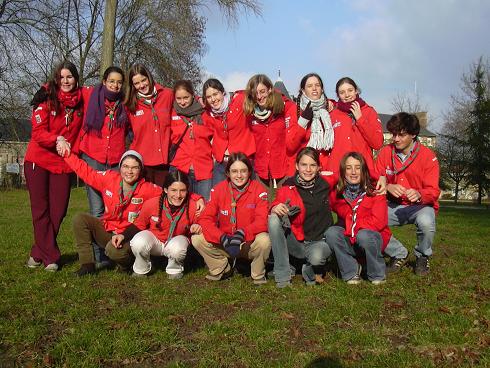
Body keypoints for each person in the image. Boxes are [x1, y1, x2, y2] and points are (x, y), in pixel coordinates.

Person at [25, 61, 84, 271]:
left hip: (63, 163)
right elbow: (38, 132)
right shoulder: (46, 98)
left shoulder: (81, 99)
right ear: (56, 80)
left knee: (58, 210)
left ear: (76, 79)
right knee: (41, 210)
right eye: (61, 77)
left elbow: (100, 91)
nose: (66, 81)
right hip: (38, 160)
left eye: (70, 77)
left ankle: (37, 252)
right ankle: (51, 257)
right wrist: (57, 138)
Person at [65, 150, 162, 276]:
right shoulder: (110, 179)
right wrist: (67, 154)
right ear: (120, 167)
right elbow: (86, 172)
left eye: (134, 168)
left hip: (129, 236)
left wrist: (195, 199)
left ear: (141, 170)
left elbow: (171, 195)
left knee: (114, 251)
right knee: (80, 219)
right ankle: (87, 265)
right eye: (125, 166)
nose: (129, 171)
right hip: (108, 230)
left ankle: (127, 265)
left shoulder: (148, 189)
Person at [375, 112, 440, 276]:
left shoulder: (428, 156)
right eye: (394, 134)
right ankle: (399, 253)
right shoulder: (385, 153)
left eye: (401, 135)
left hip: (419, 206)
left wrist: (419, 194)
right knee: (369, 218)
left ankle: (422, 257)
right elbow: (374, 181)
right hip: (392, 205)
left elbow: (433, 191)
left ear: (413, 134)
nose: (396, 139)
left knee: (426, 221)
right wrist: (388, 186)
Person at [192, 152, 271, 284]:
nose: (239, 176)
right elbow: (205, 219)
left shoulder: (259, 190)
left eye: (243, 171)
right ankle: (221, 268)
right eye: (234, 171)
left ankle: (257, 274)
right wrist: (221, 237)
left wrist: (242, 233)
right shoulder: (218, 189)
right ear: (228, 173)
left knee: (264, 240)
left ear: (249, 172)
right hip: (226, 242)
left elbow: (262, 221)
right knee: (197, 238)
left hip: (247, 242)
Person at [79, 66, 129, 267]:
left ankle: (113, 252)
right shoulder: (90, 94)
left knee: (115, 209)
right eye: (112, 81)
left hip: (115, 162)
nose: (115, 85)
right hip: (93, 157)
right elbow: (67, 88)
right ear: (104, 81)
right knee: (97, 209)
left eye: (119, 82)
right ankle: (99, 256)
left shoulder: (124, 104)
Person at [112, 170, 202, 278]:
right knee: (138, 241)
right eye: (173, 190)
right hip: (156, 242)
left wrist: (197, 227)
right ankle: (141, 269)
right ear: (165, 190)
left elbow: (202, 226)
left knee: (178, 247)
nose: (178, 195)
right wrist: (123, 235)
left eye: (182, 190)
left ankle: (174, 270)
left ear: (187, 191)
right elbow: (139, 225)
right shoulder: (152, 203)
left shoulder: (193, 206)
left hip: (176, 243)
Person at [269, 147, 335, 288]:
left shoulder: (326, 183)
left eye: (312, 165)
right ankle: (283, 274)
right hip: (297, 242)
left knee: (317, 257)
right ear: (297, 166)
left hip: (319, 241)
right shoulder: (288, 186)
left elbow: (351, 178)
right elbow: (276, 202)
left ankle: (306, 267)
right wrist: (274, 207)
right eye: (304, 165)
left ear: (319, 167)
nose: (308, 169)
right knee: (273, 219)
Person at [325, 152, 390, 285]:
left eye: (358, 167)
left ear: (364, 170)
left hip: (371, 238)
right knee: (332, 233)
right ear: (343, 171)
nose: (353, 172)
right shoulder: (337, 193)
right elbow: (321, 181)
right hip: (351, 236)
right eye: (348, 168)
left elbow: (378, 222)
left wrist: (351, 226)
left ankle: (377, 273)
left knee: (364, 235)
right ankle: (351, 271)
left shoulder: (376, 190)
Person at [243, 74, 298, 189]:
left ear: (270, 89)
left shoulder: (285, 107)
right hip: (261, 167)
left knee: (286, 202)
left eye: (262, 91)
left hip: (283, 166)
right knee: (261, 204)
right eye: (255, 93)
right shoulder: (250, 114)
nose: (259, 96)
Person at [201, 78, 256, 186]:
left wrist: (238, 93)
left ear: (223, 92)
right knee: (218, 197)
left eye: (215, 94)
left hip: (243, 161)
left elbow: (254, 93)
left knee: (246, 198)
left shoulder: (239, 101)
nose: (213, 99)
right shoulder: (208, 115)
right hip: (222, 163)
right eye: (209, 97)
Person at [125, 63, 173, 186]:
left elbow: (186, 101)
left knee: (162, 201)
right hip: (143, 164)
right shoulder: (129, 104)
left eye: (143, 80)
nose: (141, 85)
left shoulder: (167, 95)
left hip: (165, 162)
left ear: (149, 77)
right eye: (136, 83)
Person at [328, 77, 384, 176]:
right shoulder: (333, 114)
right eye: (342, 92)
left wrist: (360, 120)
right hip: (338, 172)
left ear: (356, 91)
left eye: (350, 90)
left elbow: (377, 143)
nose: (347, 95)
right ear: (338, 95)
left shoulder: (369, 111)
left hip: (362, 172)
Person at [169, 80, 213, 200]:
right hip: (179, 168)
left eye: (186, 97)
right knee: (182, 208)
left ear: (193, 95)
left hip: (203, 169)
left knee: (203, 209)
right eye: (179, 98)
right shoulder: (171, 112)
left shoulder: (206, 113)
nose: (182, 102)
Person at [289, 73, 334, 175]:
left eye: (317, 85)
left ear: (322, 89)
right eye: (309, 86)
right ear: (303, 90)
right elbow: (290, 146)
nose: (314, 88)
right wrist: (303, 120)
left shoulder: (329, 109)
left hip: (325, 170)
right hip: (304, 171)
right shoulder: (295, 109)